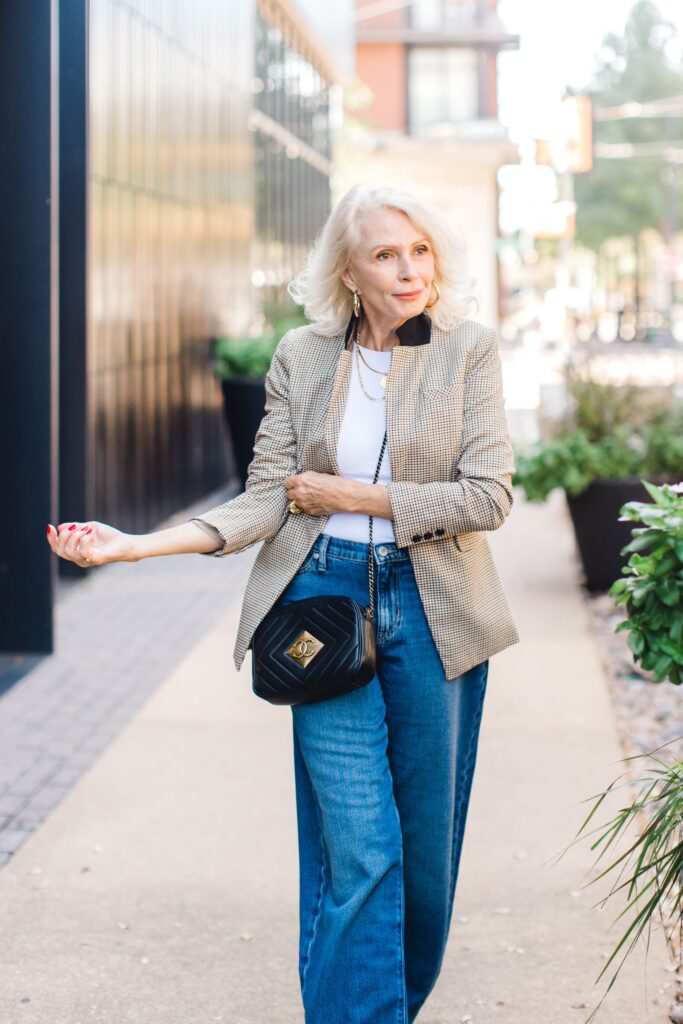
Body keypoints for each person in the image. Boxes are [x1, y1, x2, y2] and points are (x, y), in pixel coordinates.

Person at [47, 184, 520, 1023]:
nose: (407, 269)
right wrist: (134, 547)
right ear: (349, 269)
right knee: (359, 849)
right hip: (320, 605)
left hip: (434, 605)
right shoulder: (301, 355)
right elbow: (268, 496)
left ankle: (385, 1002)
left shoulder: (467, 351)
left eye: (419, 251)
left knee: (420, 864)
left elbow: (486, 497)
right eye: (384, 254)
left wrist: (354, 493)